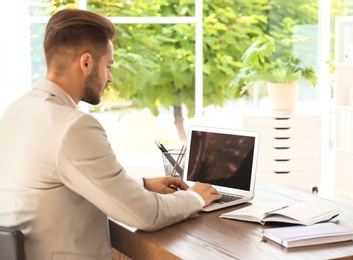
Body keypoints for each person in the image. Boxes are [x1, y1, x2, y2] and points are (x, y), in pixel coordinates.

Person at [0, 8, 221, 259]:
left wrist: (144, 184)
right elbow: (146, 215)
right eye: (108, 66)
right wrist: (195, 198)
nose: (110, 78)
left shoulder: (17, 111)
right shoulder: (72, 126)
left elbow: (62, 179)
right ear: (86, 63)